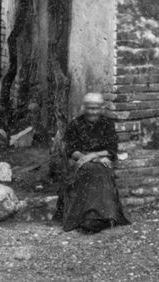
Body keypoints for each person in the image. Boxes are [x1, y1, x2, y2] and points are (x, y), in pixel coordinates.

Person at [56, 92, 129, 234]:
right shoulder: (75, 124)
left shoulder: (107, 124)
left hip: (100, 160)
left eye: (95, 108)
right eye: (89, 108)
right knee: (91, 169)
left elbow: (111, 149)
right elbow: (71, 150)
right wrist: (91, 158)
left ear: (101, 108)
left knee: (99, 170)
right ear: (84, 108)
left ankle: (102, 217)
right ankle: (87, 217)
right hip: (80, 161)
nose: (92, 112)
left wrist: (94, 156)